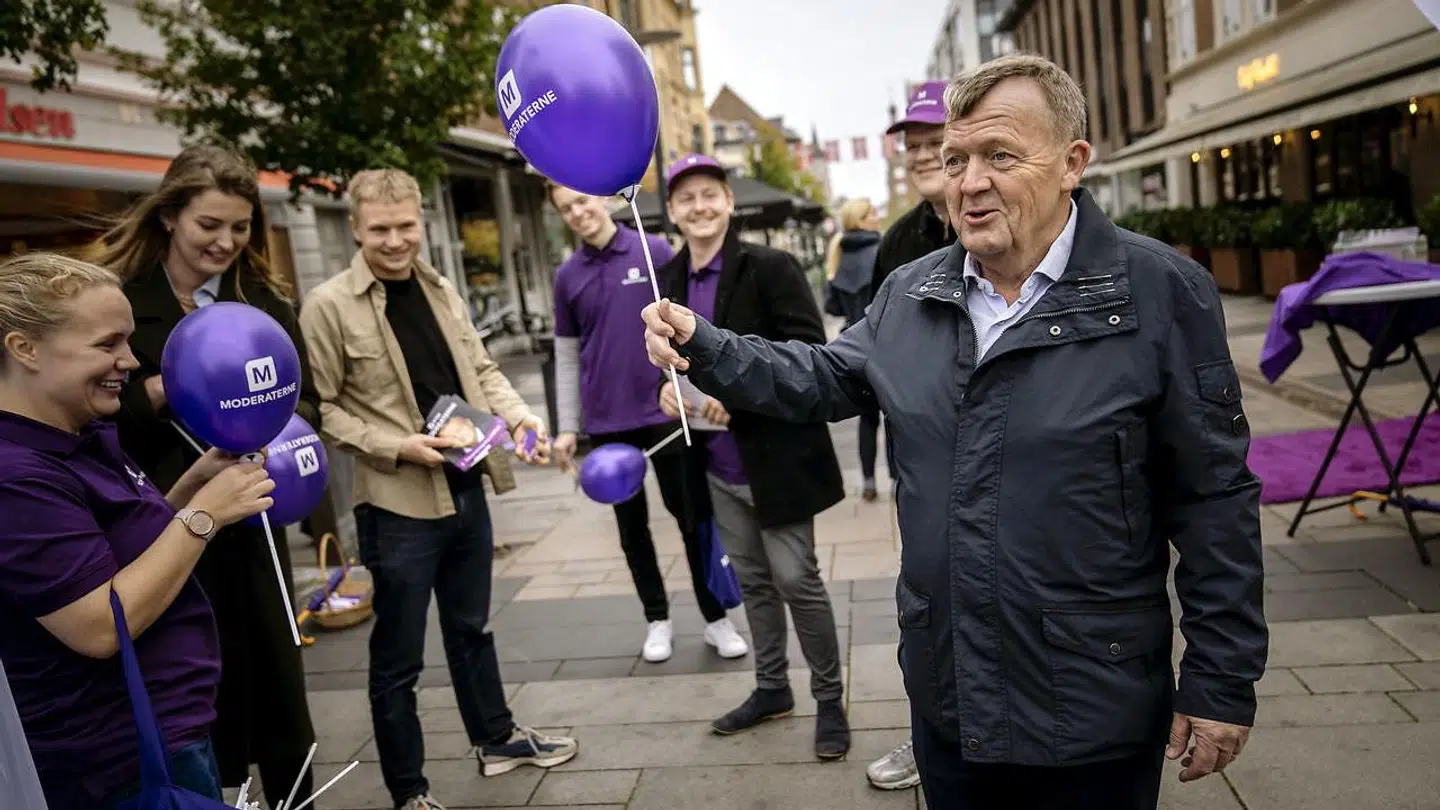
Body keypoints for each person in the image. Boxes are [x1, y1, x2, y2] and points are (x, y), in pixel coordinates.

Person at [641, 56, 1267, 810]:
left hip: (1091, 705)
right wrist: (705, 343)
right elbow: (819, 378)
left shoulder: (1160, 291)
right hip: (950, 693)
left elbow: (1215, 499)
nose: (969, 182)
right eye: (955, 159)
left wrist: (1222, 679)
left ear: (1072, 163)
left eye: (999, 156)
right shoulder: (913, 291)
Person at [298, 168, 578, 810]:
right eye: (381, 230)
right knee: (397, 657)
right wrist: (397, 446)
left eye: (406, 227)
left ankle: (498, 740)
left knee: (471, 627)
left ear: (420, 220)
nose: (396, 242)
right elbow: (325, 408)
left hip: (466, 484)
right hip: (396, 504)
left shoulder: (440, 285)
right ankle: (409, 791)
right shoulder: (329, 306)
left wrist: (521, 418)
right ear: (355, 228)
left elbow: (481, 367)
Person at [0, 251, 275, 810]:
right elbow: (98, 626)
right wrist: (203, 518)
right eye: (107, 344)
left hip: (164, 732)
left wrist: (192, 489)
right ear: (24, 348)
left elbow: (120, 553)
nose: (130, 360)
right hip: (117, 760)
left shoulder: (80, 431)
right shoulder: (16, 476)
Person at [93, 143, 319, 808]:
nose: (225, 242)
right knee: (195, 696)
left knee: (282, 694)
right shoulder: (124, 307)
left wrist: (285, 433)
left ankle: (297, 800)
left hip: (255, 526)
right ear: (169, 217)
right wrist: (171, 388)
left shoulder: (263, 303)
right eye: (208, 225)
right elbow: (98, 417)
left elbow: (305, 400)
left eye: (240, 227)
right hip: (164, 525)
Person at [655, 154, 851, 761]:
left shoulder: (772, 266)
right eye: (687, 199)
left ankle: (830, 701)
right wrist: (667, 391)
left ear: (729, 202)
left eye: (711, 194)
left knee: (797, 580)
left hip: (777, 460)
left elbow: (809, 356)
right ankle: (772, 689)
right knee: (755, 584)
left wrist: (734, 397)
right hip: (717, 466)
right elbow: (671, 362)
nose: (700, 207)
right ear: (672, 213)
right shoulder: (673, 284)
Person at [547, 182, 749, 664]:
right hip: (607, 423)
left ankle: (716, 617)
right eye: (566, 209)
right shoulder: (567, 275)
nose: (578, 213)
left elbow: (689, 327)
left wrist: (694, 391)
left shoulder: (653, 249)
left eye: (582, 201)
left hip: (665, 410)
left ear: (601, 198)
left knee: (692, 518)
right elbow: (568, 356)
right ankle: (657, 619)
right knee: (631, 529)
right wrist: (568, 426)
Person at [864, 78, 955, 793]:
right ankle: (929, 737)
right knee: (927, 597)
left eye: (936, 139)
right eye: (914, 144)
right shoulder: (899, 244)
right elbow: (874, 353)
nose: (924, 153)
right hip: (924, 456)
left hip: (1016, 449)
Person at [823, 198, 886, 501]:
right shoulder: (884, 251)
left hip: (854, 342)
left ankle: (869, 480)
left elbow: (831, 306)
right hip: (887, 339)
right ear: (859, 221)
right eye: (872, 212)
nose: (877, 217)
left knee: (867, 415)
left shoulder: (838, 255)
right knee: (899, 415)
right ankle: (898, 478)